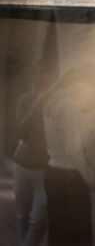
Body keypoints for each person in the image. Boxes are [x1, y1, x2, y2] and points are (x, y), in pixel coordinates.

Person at [43, 64, 95, 246]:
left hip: (53, 173)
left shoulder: (52, 101)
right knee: (78, 238)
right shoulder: (69, 106)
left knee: (58, 234)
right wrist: (89, 178)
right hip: (69, 180)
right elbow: (73, 149)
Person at [13, 72, 52, 246]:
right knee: (23, 214)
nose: (40, 84)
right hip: (22, 165)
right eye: (37, 80)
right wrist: (36, 104)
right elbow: (21, 131)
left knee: (38, 221)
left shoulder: (56, 102)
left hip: (45, 170)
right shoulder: (25, 100)